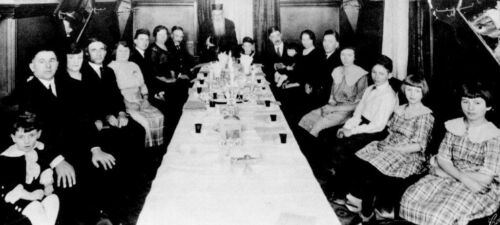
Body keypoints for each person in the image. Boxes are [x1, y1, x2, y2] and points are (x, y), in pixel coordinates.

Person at [336, 75, 434, 223]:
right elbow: (390, 130)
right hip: (390, 144)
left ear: (423, 93)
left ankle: (366, 212)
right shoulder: (400, 109)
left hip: (407, 153)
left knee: (372, 167)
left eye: (417, 91)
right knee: (356, 158)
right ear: (404, 90)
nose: (412, 94)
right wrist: (382, 143)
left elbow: (418, 146)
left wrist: (392, 148)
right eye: (409, 90)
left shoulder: (425, 115)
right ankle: (358, 201)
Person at [400, 81, 500, 225]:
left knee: (440, 216)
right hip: (452, 174)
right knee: (409, 200)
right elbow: (443, 159)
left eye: (477, 103)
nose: (470, 108)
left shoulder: (493, 135)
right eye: (465, 102)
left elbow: (486, 177)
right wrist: (457, 176)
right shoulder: (454, 126)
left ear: (488, 106)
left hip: (475, 183)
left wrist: (445, 174)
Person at [80, 38, 146, 224]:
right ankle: (114, 201)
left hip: (114, 116)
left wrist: (121, 113)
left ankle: (131, 188)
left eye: (102, 49)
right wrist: (106, 116)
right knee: (116, 141)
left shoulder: (108, 71)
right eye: (94, 50)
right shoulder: (82, 72)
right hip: (98, 121)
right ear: (87, 53)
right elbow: (88, 103)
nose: (99, 53)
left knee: (137, 131)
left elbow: (116, 96)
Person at [318, 55, 397, 173]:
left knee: (341, 147)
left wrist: (351, 132)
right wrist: (346, 127)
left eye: (381, 73)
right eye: (374, 72)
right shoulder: (370, 88)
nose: (376, 77)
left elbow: (378, 125)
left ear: (389, 75)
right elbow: (358, 113)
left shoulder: (388, 96)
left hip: (374, 131)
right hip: (361, 123)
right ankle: (329, 173)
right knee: (325, 134)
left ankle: (339, 184)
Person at [0, 112, 59, 225]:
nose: (27, 141)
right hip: (19, 199)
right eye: (21, 137)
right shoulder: (7, 158)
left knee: (53, 199)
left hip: (39, 194)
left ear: (38, 134)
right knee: (36, 208)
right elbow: (9, 187)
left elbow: (46, 170)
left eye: (31, 135)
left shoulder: (40, 150)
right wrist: (30, 196)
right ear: (13, 138)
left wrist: (48, 185)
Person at [299, 46, 368, 137]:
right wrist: (329, 105)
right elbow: (332, 93)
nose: (345, 58)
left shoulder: (361, 75)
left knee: (318, 126)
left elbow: (359, 105)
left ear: (354, 57)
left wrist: (334, 109)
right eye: (342, 55)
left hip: (347, 111)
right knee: (306, 119)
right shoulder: (337, 70)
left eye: (349, 55)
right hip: (332, 106)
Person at [109, 41, 165, 148]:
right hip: (125, 103)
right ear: (115, 52)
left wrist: (145, 98)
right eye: (120, 51)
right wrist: (127, 104)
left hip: (140, 100)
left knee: (159, 117)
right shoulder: (111, 67)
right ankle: (147, 151)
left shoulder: (134, 65)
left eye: (126, 50)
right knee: (145, 123)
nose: (124, 53)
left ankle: (157, 150)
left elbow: (142, 85)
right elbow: (114, 92)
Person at [166, 26, 195, 125]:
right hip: (174, 82)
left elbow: (188, 59)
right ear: (171, 35)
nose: (179, 38)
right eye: (177, 36)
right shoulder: (167, 47)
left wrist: (194, 68)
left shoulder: (180, 45)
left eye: (181, 36)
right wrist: (180, 75)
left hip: (183, 78)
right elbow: (168, 66)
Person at [130, 29, 162, 100]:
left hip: (152, 89)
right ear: (135, 41)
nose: (145, 42)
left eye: (147, 40)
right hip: (142, 94)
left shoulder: (147, 55)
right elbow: (139, 81)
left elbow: (151, 76)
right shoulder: (132, 57)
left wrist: (159, 90)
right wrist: (155, 93)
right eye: (141, 39)